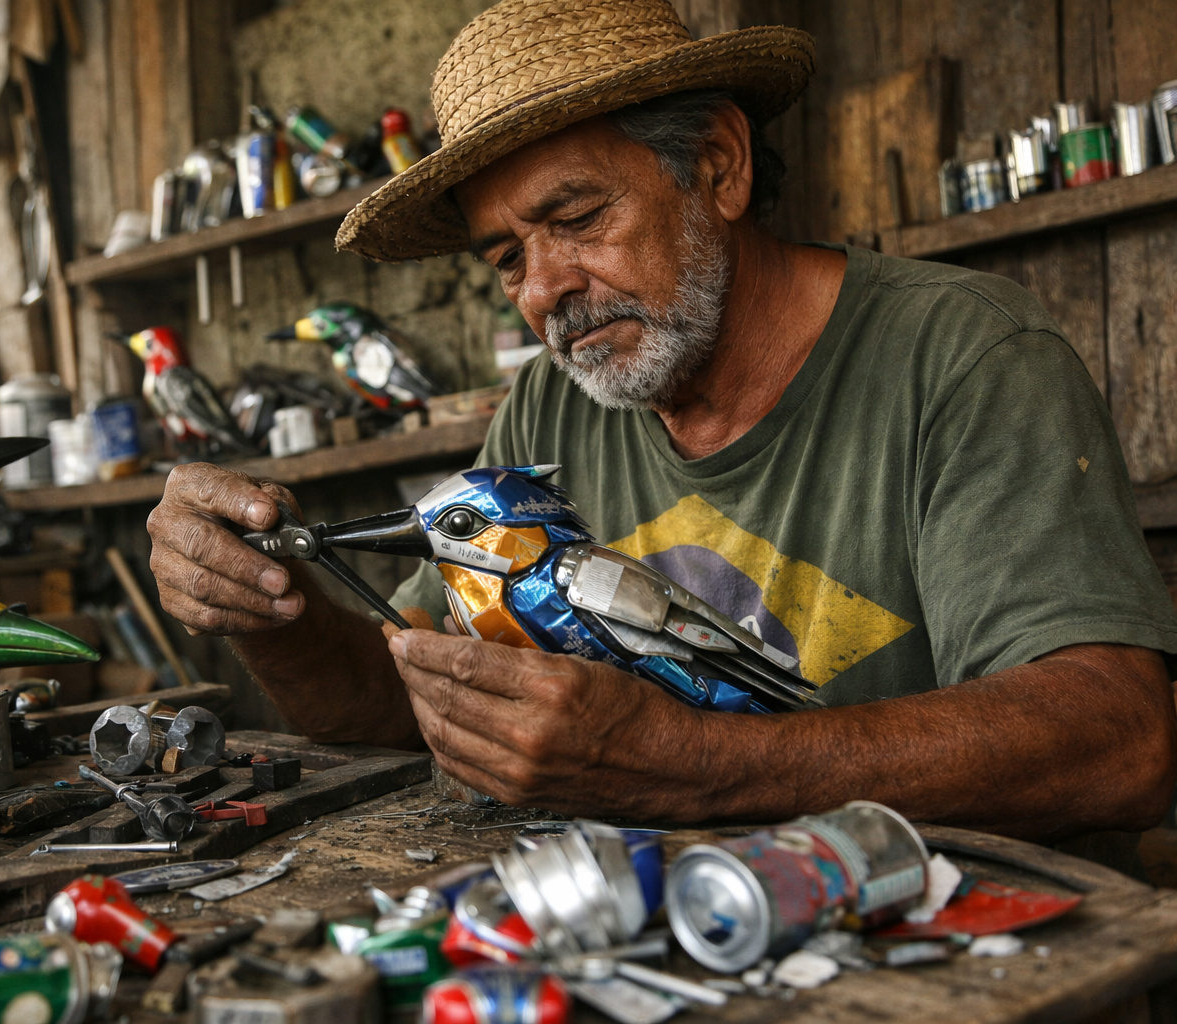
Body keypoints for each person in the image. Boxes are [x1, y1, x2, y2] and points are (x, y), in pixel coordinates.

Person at [145, 0, 1177, 844]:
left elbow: (1118, 739)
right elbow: (404, 700)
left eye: (579, 219)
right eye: (507, 259)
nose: (547, 290)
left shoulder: (964, 358)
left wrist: (700, 765)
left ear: (719, 165)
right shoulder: (555, 402)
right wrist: (262, 607)